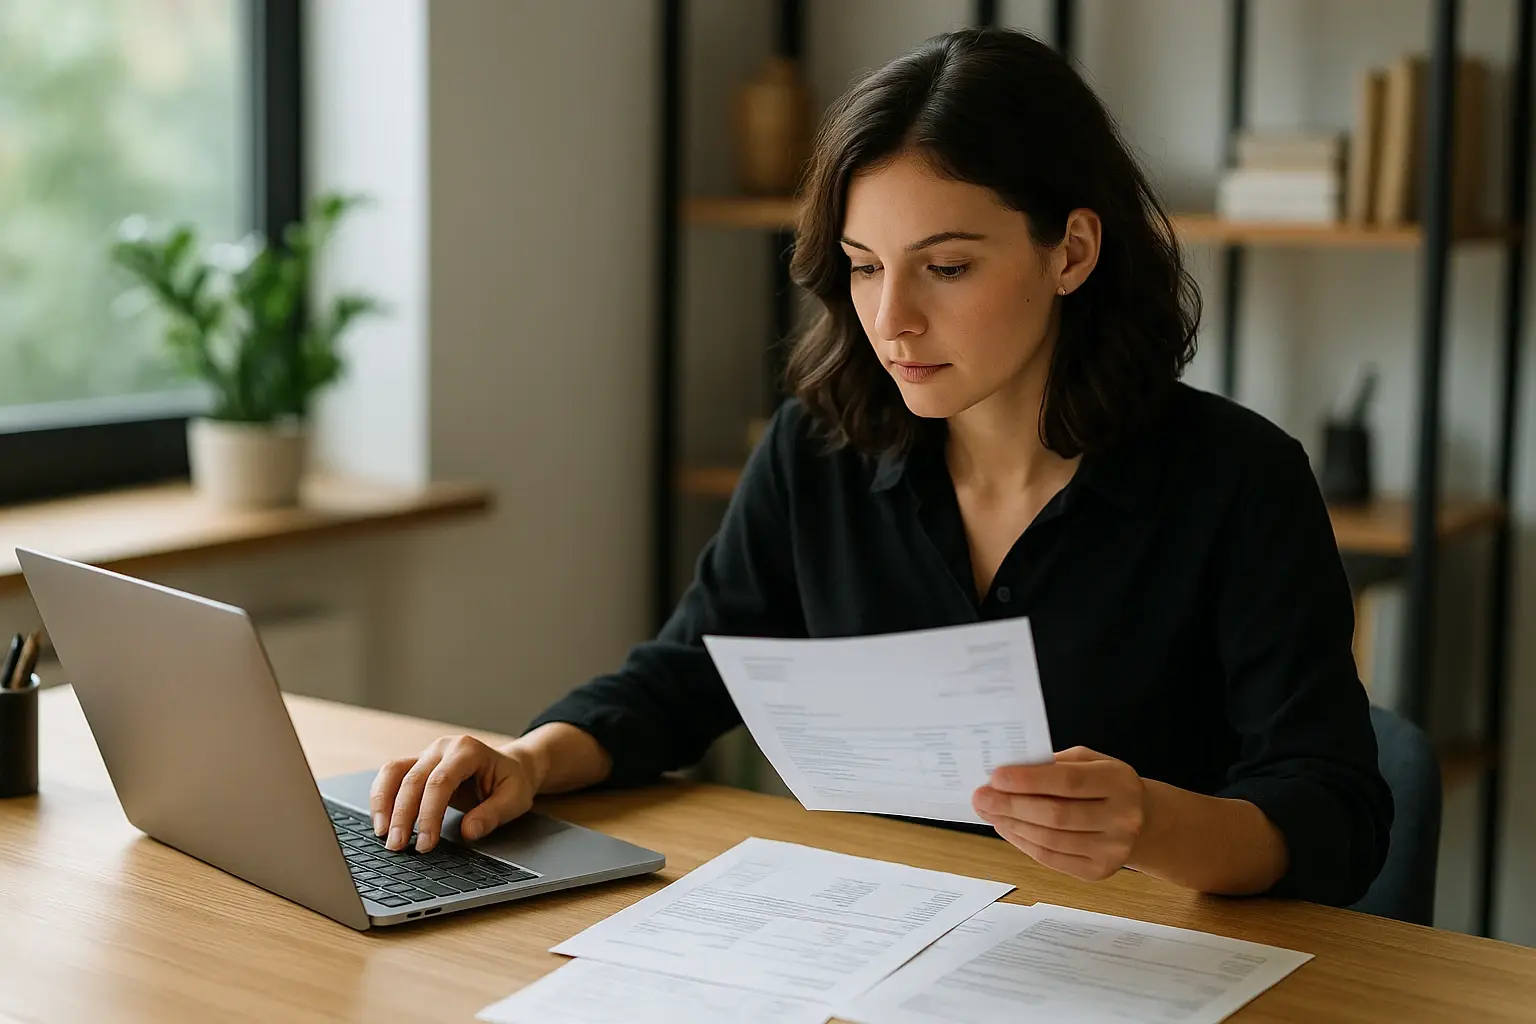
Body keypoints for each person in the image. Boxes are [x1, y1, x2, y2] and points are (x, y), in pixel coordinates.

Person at [371, 27, 1392, 906]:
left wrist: (1154, 824)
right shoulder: (819, 448)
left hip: (1147, 962)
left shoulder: (1239, 482)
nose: (891, 321)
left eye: (946, 268)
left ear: (1072, 251)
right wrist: (527, 756)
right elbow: (688, 673)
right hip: (874, 940)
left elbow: (1336, 815)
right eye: (864, 267)